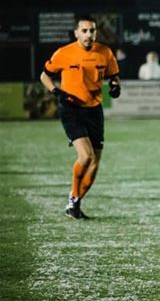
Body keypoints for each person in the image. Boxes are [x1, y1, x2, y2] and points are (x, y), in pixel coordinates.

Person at [39, 15, 121, 219]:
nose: (88, 34)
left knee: (94, 165)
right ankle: (73, 200)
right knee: (86, 156)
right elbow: (44, 75)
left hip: (94, 110)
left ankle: (74, 202)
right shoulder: (64, 53)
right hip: (71, 109)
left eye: (92, 30)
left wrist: (115, 86)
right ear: (76, 33)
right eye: (84, 31)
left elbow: (113, 76)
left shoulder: (105, 52)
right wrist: (56, 91)